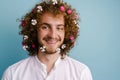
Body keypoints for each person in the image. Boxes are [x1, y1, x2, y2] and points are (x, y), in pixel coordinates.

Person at [2, 0, 93, 80]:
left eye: (59, 28)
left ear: (67, 32)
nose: (52, 35)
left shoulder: (81, 73)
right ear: (34, 30)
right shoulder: (13, 74)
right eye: (45, 27)